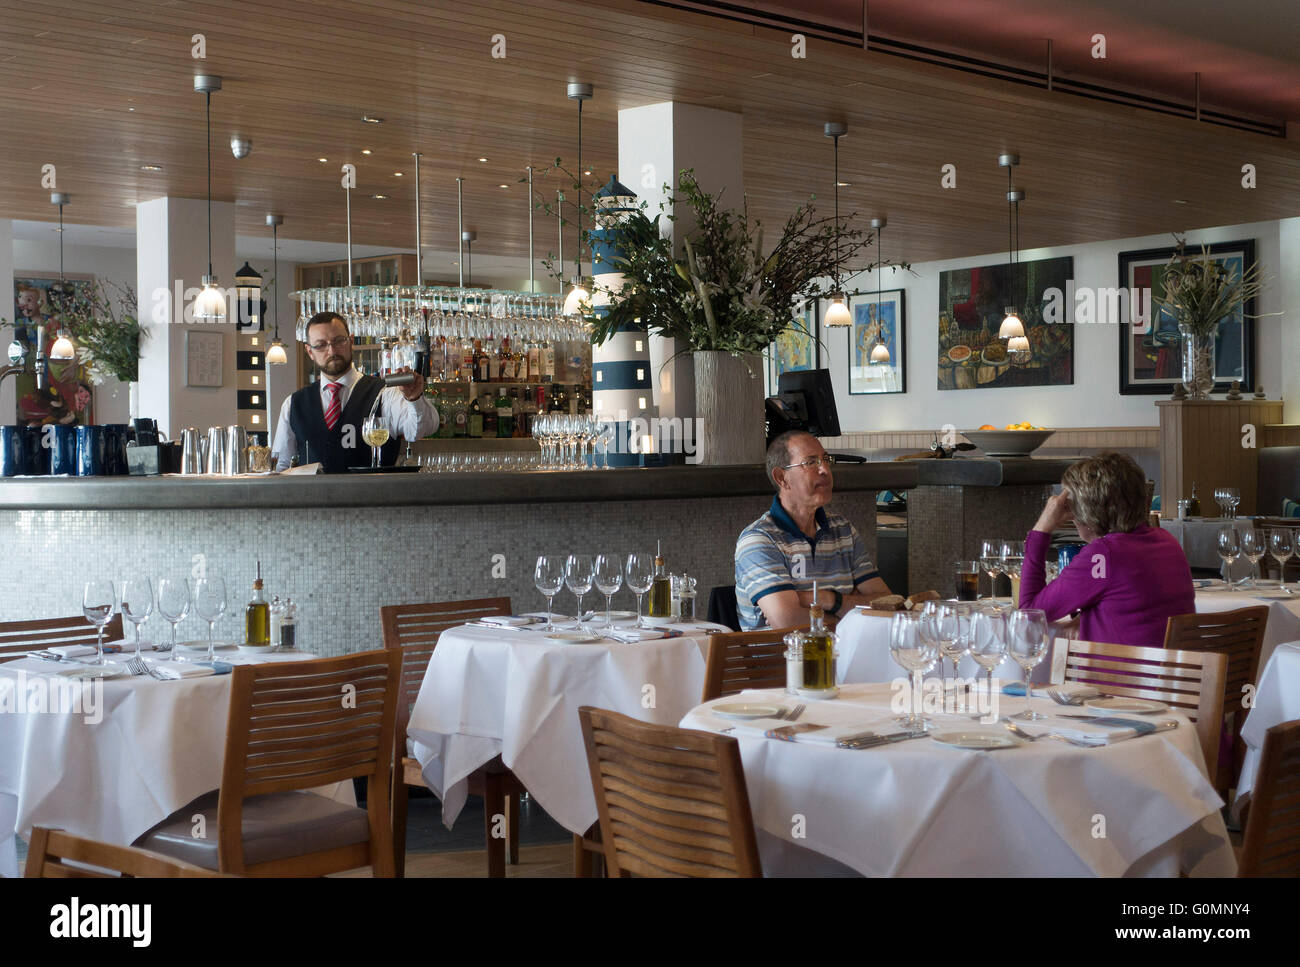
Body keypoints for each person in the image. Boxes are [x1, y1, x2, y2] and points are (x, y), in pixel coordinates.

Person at [1019, 451, 1193, 648]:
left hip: (1127, 675)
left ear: (1087, 514)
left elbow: (1029, 615)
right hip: (1173, 675)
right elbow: (1130, 607)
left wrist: (1041, 528)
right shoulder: (1166, 541)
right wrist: (1086, 619)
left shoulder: (1103, 555)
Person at [735, 430, 890, 630]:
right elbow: (788, 622)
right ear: (782, 478)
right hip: (782, 659)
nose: (825, 469)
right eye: (811, 462)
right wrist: (853, 614)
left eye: (826, 460)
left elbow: (887, 604)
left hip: (842, 657)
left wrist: (830, 600)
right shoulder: (759, 540)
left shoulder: (843, 530)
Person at [272, 312, 437, 473]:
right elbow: (282, 466)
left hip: (374, 498)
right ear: (310, 352)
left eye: (339, 341)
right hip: (314, 500)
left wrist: (414, 399)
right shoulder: (293, 403)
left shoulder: (385, 393)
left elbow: (418, 430)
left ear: (351, 341)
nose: (332, 351)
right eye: (321, 345)